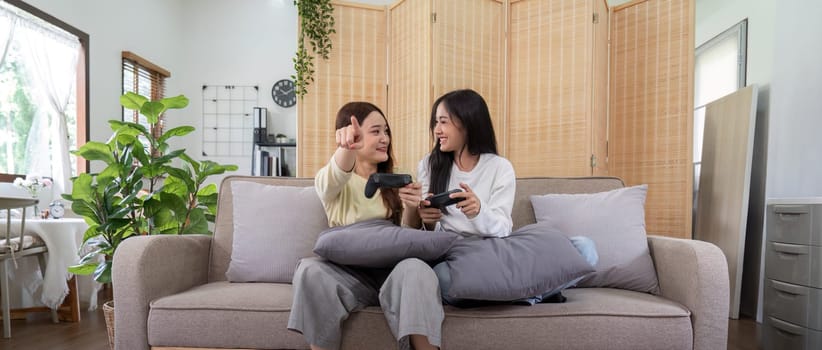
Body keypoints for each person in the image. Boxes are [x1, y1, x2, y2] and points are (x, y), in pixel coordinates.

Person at [287, 102, 442, 350]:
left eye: (386, 131)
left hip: (391, 274)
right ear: (353, 134)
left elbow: (408, 238)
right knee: (310, 270)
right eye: (376, 131)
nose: (385, 139)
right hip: (348, 276)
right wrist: (346, 148)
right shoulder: (333, 182)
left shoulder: (398, 178)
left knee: (416, 267)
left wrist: (413, 209)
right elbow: (339, 170)